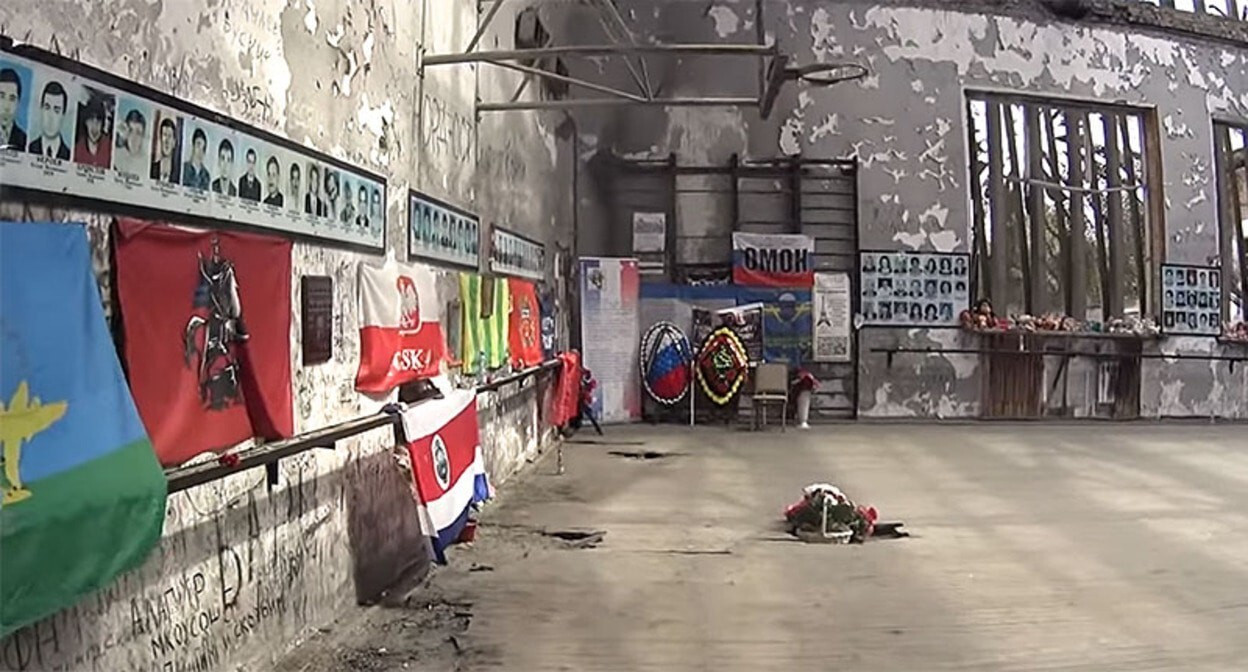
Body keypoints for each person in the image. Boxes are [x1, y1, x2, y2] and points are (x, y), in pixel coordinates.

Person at [28, 81, 70, 160]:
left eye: (56, 110)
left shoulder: (69, 154)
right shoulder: (29, 148)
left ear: (63, 115)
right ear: (41, 109)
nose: (51, 117)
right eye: (47, 108)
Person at [73, 96, 112, 168]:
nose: (94, 125)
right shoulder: (77, 150)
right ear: (86, 122)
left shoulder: (110, 147)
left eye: (98, 120)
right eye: (91, 120)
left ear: (103, 124)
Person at [0, 67, 26, 151]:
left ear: (18, 103)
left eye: (12, 99)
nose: (6, 107)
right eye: (2, 96)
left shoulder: (23, 138)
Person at [149, 116, 180, 183]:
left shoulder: (178, 175)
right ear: (160, 139)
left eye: (169, 136)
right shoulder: (151, 169)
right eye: (164, 135)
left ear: (174, 142)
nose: (167, 141)